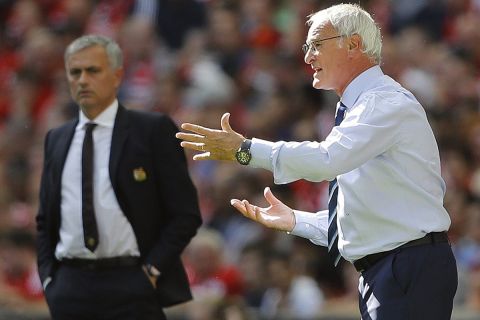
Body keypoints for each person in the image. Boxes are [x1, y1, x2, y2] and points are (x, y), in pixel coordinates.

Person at [176, 3, 457, 320]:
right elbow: (363, 221)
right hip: (389, 270)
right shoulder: (360, 109)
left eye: (317, 45)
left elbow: (328, 159)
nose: (308, 57)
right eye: (306, 47)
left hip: (407, 267)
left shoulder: (383, 101)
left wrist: (246, 149)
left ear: (353, 44)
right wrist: (296, 221)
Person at [36, 34, 202, 320]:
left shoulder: (151, 130)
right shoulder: (56, 138)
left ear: (116, 76)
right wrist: (50, 278)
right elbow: (45, 220)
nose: (83, 80)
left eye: (93, 70)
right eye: (75, 72)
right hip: (69, 285)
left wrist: (152, 270)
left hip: (131, 282)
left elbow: (185, 214)